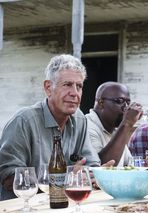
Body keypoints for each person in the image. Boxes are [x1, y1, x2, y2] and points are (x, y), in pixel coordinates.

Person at [0, 54, 101, 200]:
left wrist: (101, 174)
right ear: (48, 88)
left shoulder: (79, 119)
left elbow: (90, 166)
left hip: (64, 205)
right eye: (67, 85)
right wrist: (65, 178)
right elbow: (8, 176)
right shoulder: (24, 121)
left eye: (79, 86)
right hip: (23, 207)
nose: (74, 93)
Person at [86, 82, 142, 166]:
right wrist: (127, 123)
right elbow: (101, 167)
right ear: (101, 103)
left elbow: (129, 164)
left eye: (128, 102)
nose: (126, 107)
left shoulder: (115, 129)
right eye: (120, 101)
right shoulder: (87, 126)